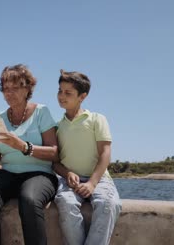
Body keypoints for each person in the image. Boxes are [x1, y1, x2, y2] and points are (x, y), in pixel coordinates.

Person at [0, 64, 59, 245]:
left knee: (30, 199)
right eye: (5, 89)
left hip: (40, 173)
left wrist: (23, 146)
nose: (9, 93)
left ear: (27, 89)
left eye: (15, 88)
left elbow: (54, 153)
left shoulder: (42, 112)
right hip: (7, 172)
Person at [53, 69, 122, 245]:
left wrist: (92, 183)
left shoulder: (97, 119)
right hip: (69, 180)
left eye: (68, 93)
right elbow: (55, 163)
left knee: (109, 204)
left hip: (99, 178)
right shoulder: (57, 127)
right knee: (65, 202)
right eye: (60, 90)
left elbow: (105, 153)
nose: (62, 96)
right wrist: (67, 173)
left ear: (82, 96)